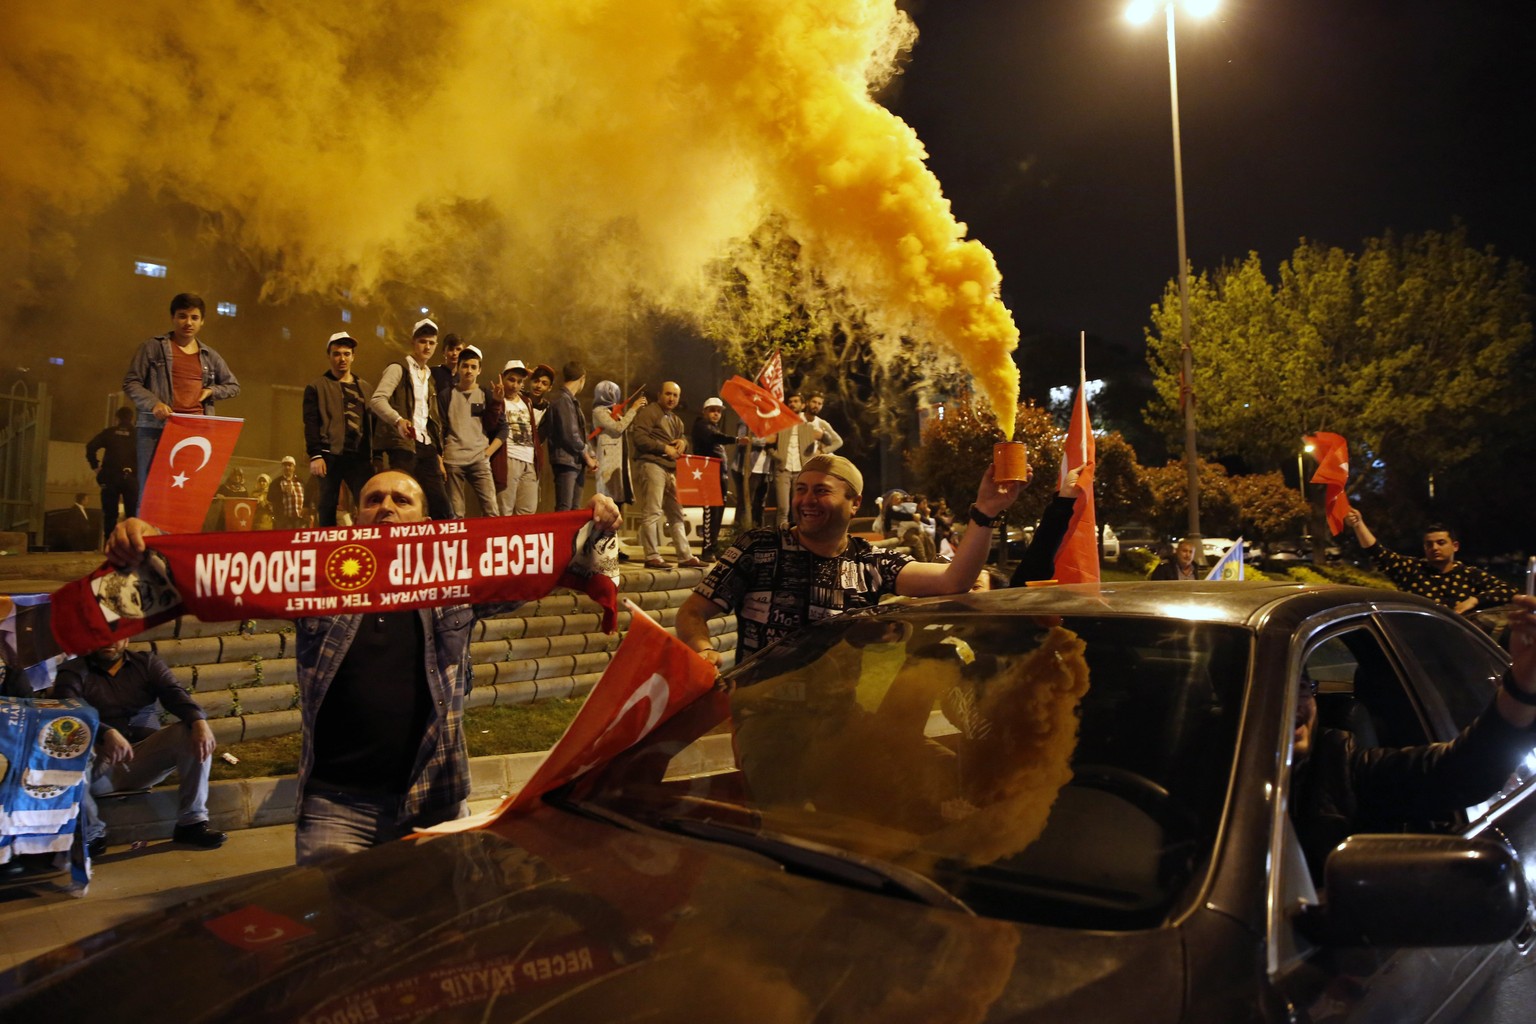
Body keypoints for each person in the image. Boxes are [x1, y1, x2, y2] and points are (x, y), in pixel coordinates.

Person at [103, 472, 623, 864]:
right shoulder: (317, 576)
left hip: (435, 802)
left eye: (402, 499)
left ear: (425, 518)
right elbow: (216, 574)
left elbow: (550, 565)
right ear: (355, 514)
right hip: (337, 807)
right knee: (340, 950)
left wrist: (595, 524)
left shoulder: (457, 583)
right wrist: (151, 543)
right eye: (374, 499)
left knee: (434, 951)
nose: (387, 508)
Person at [676, 455, 1023, 667]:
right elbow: (693, 612)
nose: (806, 500)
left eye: (821, 491)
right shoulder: (757, 547)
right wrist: (703, 649)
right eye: (801, 489)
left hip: (841, 720)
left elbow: (954, 581)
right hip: (762, 716)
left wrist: (987, 512)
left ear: (854, 503)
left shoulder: (869, 562)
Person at [1290, 595, 1536, 877]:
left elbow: (1463, 771)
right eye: (1271, 694)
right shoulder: (1228, 775)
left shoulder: (1339, 764)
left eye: (1303, 688)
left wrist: (1522, 684)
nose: (1293, 703)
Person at [53, 638, 225, 853]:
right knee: (66, 751)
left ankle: (192, 823)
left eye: (115, 633)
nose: (108, 640)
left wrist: (199, 720)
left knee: (190, 732)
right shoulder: (73, 671)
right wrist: (105, 732)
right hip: (97, 766)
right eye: (99, 633)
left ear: (127, 637)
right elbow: (67, 711)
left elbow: (174, 693)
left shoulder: (146, 663)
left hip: (142, 758)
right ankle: (92, 835)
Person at [121, 293, 240, 505]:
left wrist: (211, 391)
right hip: (155, 430)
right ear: (173, 318)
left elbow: (233, 386)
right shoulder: (153, 347)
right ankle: (150, 538)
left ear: (202, 321)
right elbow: (131, 382)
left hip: (195, 433)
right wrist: (153, 403)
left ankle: (176, 538)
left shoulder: (210, 356)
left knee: (186, 495)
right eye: (182, 316)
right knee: (151, 491)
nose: (188, 322)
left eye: (194, 317)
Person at [1344, 511, 1517, 613]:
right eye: (1429, 544)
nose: (1434, 547)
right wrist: (1359, 524)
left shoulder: (1469, 574)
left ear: (1455, 546)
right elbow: (1378, 554)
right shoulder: (1412, 569)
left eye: (1441, 543)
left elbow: (1508, 590)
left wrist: (1474, 601)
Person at [368, 318, 453, 520]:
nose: (427, 346)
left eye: (432, 342)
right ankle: (399, 547)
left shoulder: (429, 375)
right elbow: (377, 400)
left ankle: (437, 548)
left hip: (427, 446)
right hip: (404, 444)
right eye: (423, 341)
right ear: (413, 343)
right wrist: (398, 420)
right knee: (403, 500)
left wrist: (438, 455)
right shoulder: (399, 368)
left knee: (440, 505)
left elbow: (430, 418)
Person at [303, 331, 374, 527]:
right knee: (327, 504)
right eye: (336, 353)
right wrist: (315, 455)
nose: (342, 358)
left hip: (359, 456)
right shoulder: (316, 387)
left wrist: (374, 456)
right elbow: (310, 422)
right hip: (329, 454)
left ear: (353, 356)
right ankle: (327, 548)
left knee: (369, 500)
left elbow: (373, 424)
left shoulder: (366, 388)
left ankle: (370, 543)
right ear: (329, 356)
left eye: (346, 353)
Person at [631, 381, 702, 569]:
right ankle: (652, 556)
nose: (671, 398)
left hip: (671, 469)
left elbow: (683, 439)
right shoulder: (649, 412)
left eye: (675, 395)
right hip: (652, 465)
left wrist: (683, 443)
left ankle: (685, 556)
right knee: (653, 511)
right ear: (660, 394)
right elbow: (639, 438)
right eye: (668, 394)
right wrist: (664, 448)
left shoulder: (676, 420)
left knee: (677, 513)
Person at [438, 345, 504, 517]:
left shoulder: (486, 394)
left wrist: (487, 453)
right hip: (453, 460)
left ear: (479, 370)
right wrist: (440, 456)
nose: (469, 371)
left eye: (473, 367)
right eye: (465, 366)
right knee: (456, 514)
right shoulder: (446, 395)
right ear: (458, 367)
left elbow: (499, 428)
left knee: (491, 510)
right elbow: (441, 428)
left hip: (479, 459)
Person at [546, 361, 599, 511]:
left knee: (574, 509)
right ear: (582, 378)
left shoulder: (571, 401)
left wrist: (590, 455)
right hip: (566, 462)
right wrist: (588, 457)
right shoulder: (562, 400)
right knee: (565, 508)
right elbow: (570, 434)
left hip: (575, 462)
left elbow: (580, 433)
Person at [690, 396, 736, 557]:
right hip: (708, 475)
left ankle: (713, 547)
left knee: (718, 512)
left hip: (720, 475)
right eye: (713, 410)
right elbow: (714, 438)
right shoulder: (701, 426)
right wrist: (735, 439)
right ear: (705, 412)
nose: (716, 414)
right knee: (711, 512)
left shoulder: (714, 428)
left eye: (719, 411)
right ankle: (708, 549)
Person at [493, 360, 540, 515]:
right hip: (509, 458)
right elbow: (490, 426)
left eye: (519, 381)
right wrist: (496, 402)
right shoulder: (497, 400)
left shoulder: (526, 402)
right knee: (503, 511)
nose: (515, 385)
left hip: (529, 462)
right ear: (503, 378)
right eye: (511, 379)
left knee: (527, 512)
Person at [85, 407, 138, 539]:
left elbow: (90, 447)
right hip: (131, 477)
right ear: (132, 418)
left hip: (110, 477)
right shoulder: (137, 434)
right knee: (132, 513)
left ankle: (110, 543)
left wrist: (95, 466)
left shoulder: (109, 433)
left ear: (117, 418)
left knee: (110, 513)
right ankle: (131, 543)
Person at [591, 380, 645, 504]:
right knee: (609, 498)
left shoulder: (613, 412)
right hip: (608, 459)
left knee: (618, 498)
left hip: (619, 459)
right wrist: (633, 408)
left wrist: (636, 411)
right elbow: (618, 427)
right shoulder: (599, 411)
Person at [768, 394, 813, 530]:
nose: (793, 404)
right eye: (790, 401)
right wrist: (778, 457)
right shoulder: (780, 424)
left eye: (796, 401)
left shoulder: (808, 426)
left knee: (799, 507)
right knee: (783, 508)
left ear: (803, 405)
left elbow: (832, 440)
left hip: (801, 472)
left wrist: (818, 452)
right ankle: (781, 539)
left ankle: (800, 538)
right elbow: (769, 444)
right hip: (783, 470)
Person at [268, 456, 310, 530]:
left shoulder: (301, 481)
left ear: (294, 467)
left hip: (300, 519)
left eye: (289, 465)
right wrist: (281, 493)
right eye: (285, 465)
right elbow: (270, 499)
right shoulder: (276, 483)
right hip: (284, 521)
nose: (287, 467)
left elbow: (308, 498)